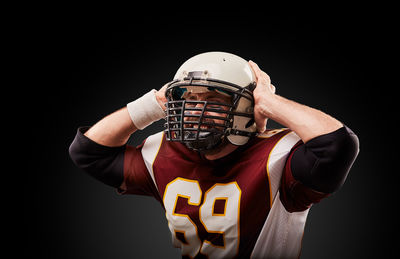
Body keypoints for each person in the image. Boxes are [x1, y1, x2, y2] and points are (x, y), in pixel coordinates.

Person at [69, 52, 359, 258]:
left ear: (247, 106)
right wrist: (154, 104)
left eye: (213, 100)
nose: (196, 109)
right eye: (191, 98)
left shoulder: (279, 156)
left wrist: (268, 102)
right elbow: (89, 152)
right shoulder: (163, 152)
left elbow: (336, 145)